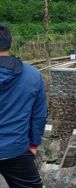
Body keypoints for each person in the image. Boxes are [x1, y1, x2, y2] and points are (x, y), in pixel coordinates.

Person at [0, 23, 47, 188]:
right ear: (10, 42)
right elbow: (39, 115)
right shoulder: (33, 75)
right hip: (17, 149)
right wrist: (34, 144)